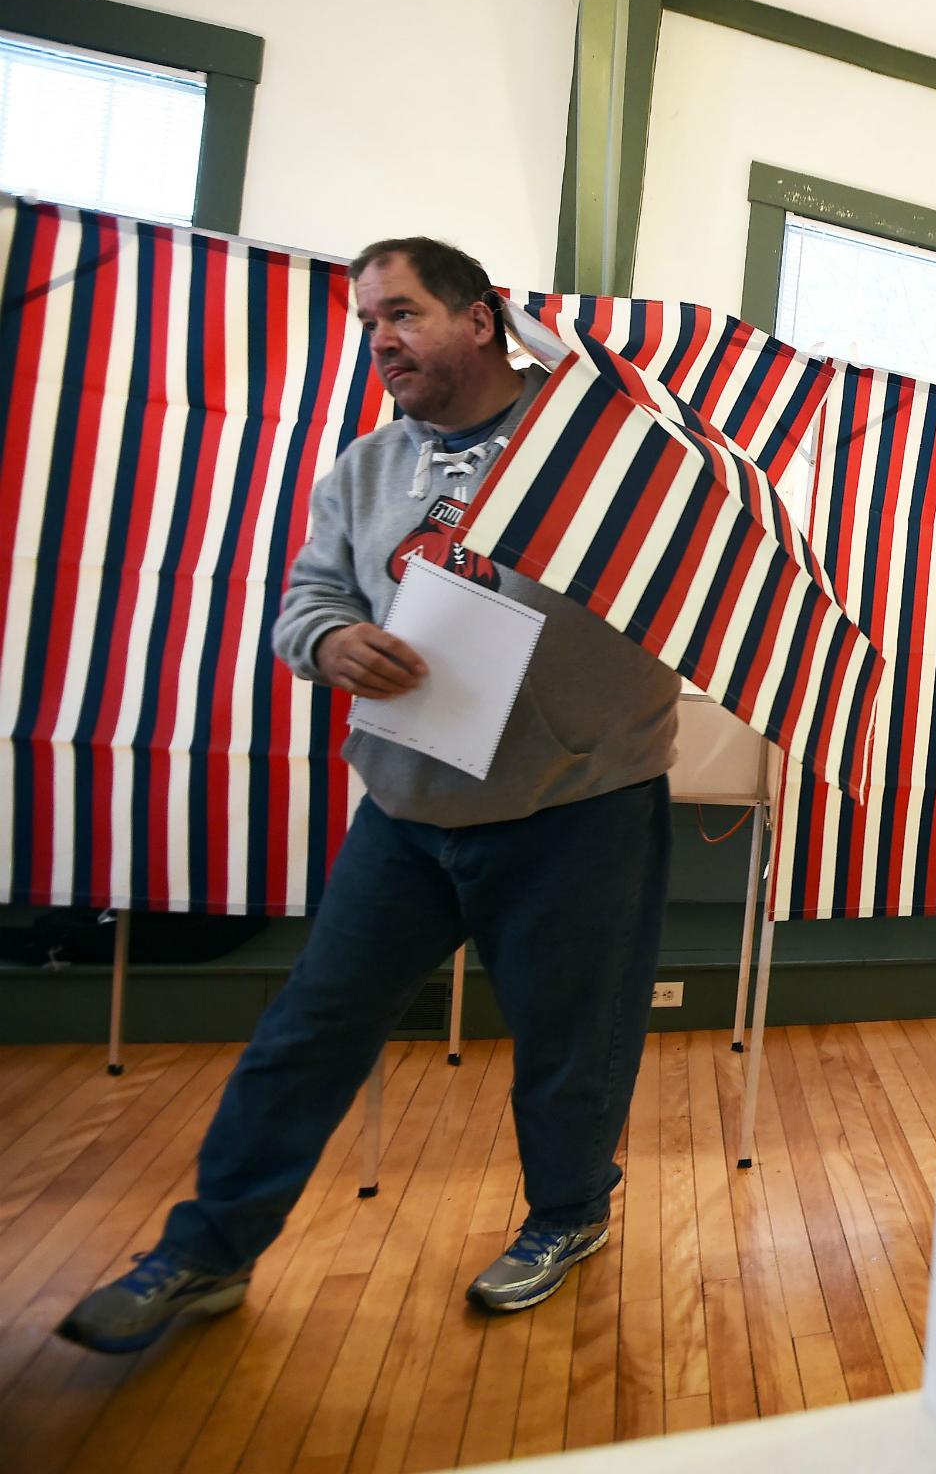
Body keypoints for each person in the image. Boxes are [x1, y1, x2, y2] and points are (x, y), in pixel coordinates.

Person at [57, 238, 680, 1353]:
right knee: (309, 1030)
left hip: (579, 804)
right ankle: (205, 1252)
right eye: (367, 323)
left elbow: (681, 596)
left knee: (570, 1044)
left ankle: (569, 1215)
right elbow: (307, 594)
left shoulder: (601, 449)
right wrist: (333, 638)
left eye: (401, 314)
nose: (379, 339)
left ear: (480, 319)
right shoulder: (362, 469)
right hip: (405, 806)